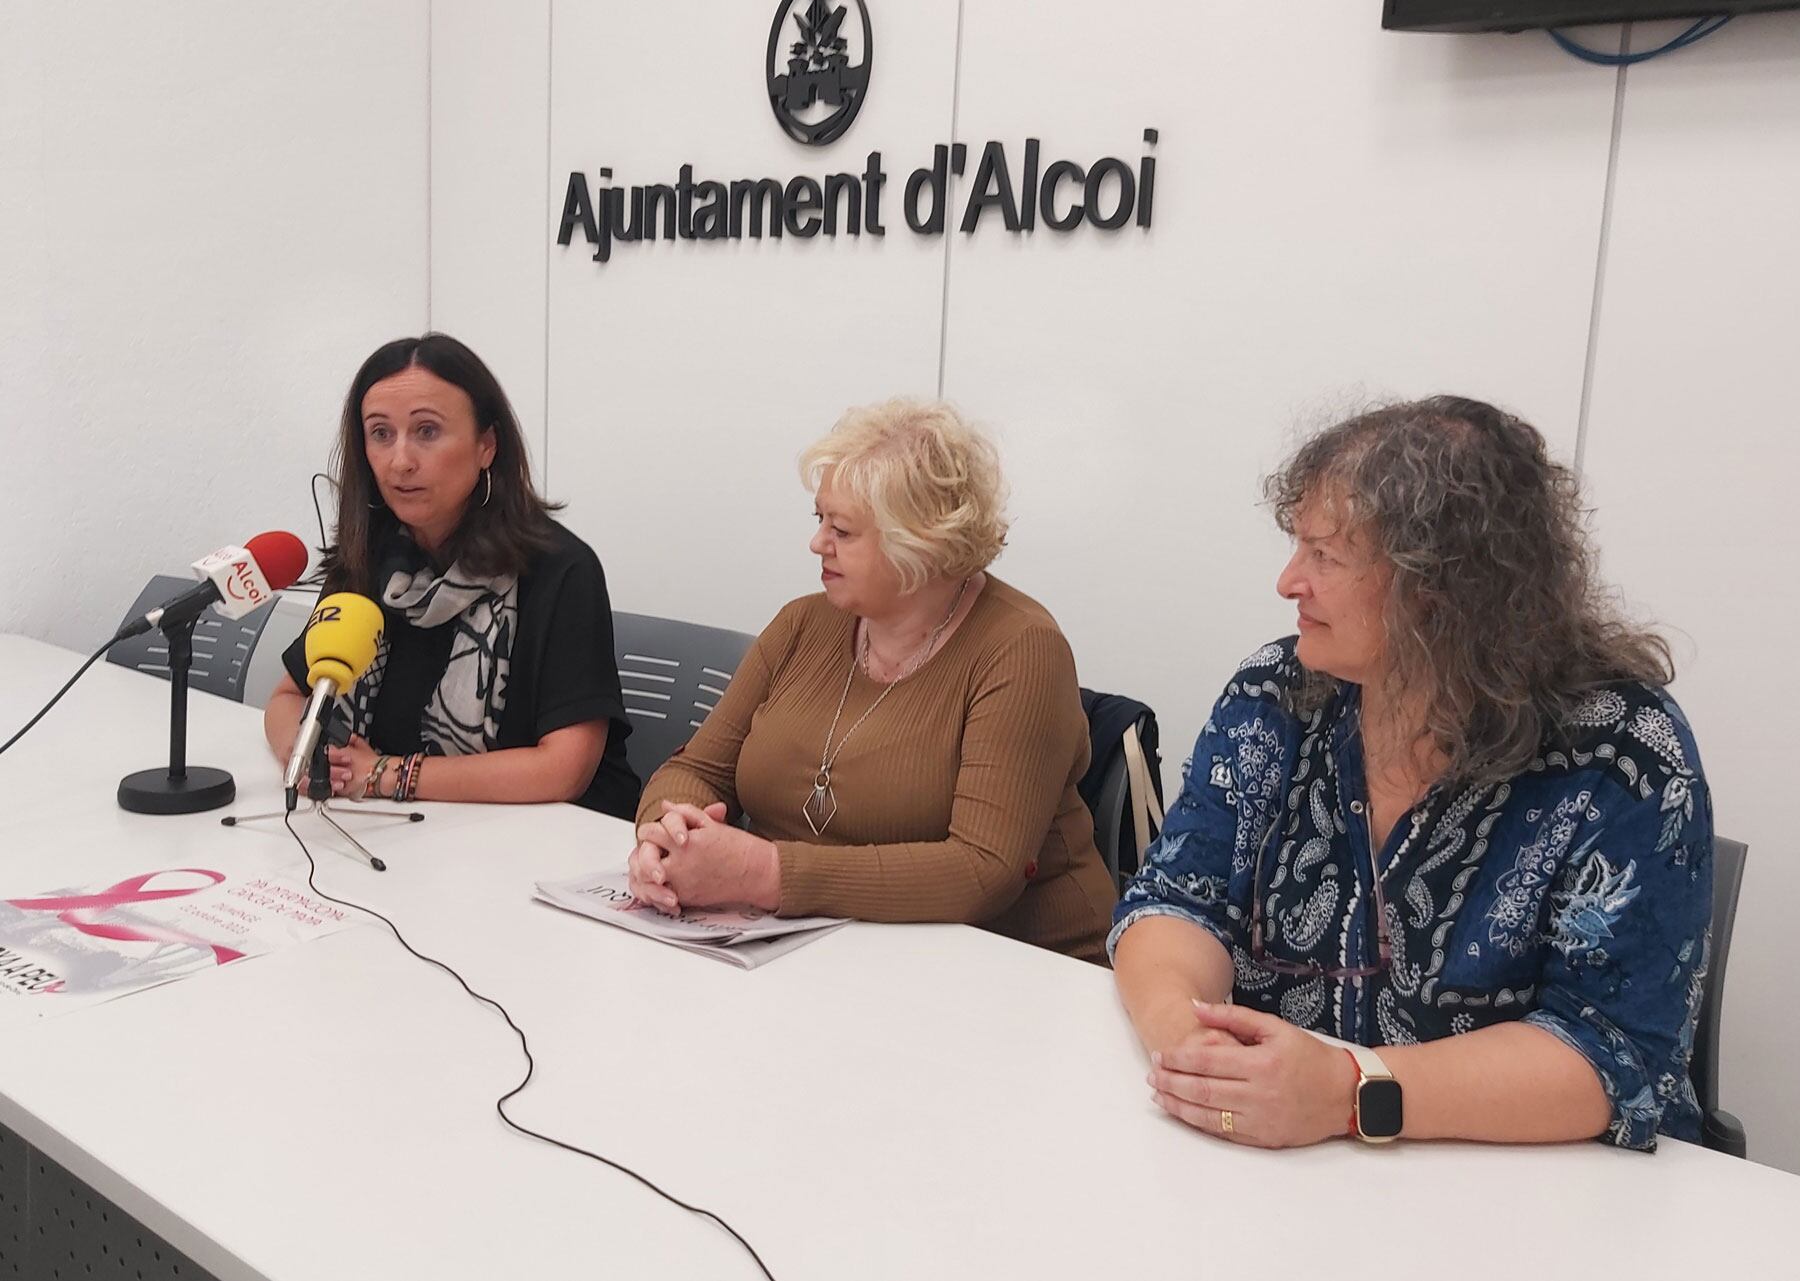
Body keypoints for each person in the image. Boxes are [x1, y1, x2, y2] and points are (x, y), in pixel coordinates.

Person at [1111, 396, 1712, 1150]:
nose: (1289, 581)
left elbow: (1608, 1052)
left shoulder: (1619, 755)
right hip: (1293, 1175)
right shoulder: (1277, 696)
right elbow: (1176, 900)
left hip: (1535, 1200)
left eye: (1325, 555)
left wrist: (1349, 1092)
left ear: (1439, 588)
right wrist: (1191, 1052)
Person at [628, 399, 1116, 962]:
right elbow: (694, 770)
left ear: (921, 544)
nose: (818, 544)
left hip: (1012, 969)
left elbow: (982, 871)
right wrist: (667, 837)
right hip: (821, 951)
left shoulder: (1022, 650)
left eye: (843, 530)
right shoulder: (802, 623)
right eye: (820, 521)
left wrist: (765, 872)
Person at [263, 333, 639, 818]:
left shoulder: (561, 568)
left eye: (427, 431)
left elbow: (565, 768)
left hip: (546, 839)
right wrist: (309, 753)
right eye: (381, 434)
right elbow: (288, 698)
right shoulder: (371, 558)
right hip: (406, 828)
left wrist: (381, 775)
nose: (400, 460)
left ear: (487, 445)